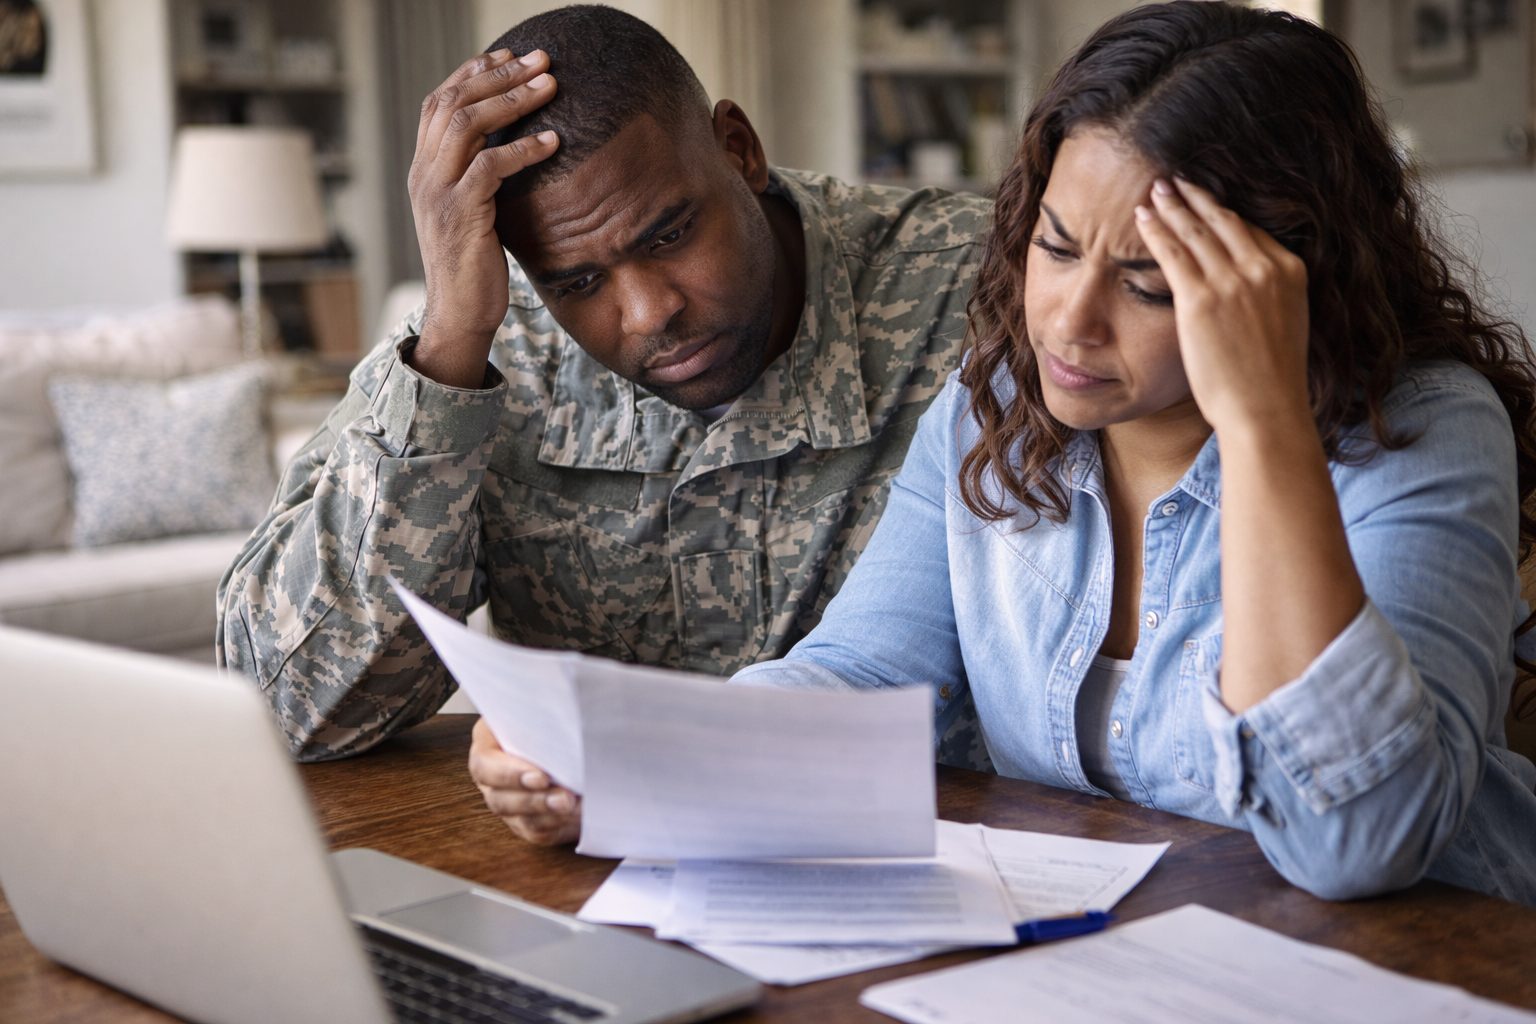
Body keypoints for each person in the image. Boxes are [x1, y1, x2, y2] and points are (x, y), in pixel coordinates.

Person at [494, 1, 1536, 903]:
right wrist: (617, 757)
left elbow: (1360, 843)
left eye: (1149, 284)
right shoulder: (994, 409)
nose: (1068, 326)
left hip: (1419, 964)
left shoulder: (1422, 433)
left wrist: (1263, 422)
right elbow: (862, 672)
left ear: (1281, 284)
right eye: (1056, 246)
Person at [215, 5, 991, 795]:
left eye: (667, 236)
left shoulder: (979, 291)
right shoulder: (489, 347)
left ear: (739, 148)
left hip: (931, 858)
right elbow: (289, 710)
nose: (650, 311)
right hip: (586, 878)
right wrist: (449, 347)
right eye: (576, 282)